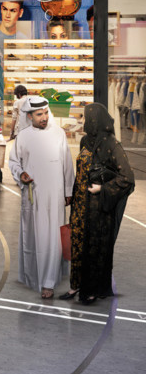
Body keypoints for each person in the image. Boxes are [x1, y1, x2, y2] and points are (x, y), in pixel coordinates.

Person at [67, 103, 135, 305]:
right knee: (78, 245)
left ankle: (92, 289)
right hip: (80, 205)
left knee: (94, 248)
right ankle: (76, 284)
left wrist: (102, 190)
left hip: (98, 209)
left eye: (87, 119)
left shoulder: (112, 144)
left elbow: (127, 178)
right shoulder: (86, 141)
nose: (84, 122)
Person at [9, 96, 73, 299]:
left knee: (53, 238)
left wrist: (68, 191)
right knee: (35, 237)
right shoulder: (23, 136)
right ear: (30, 116)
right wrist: (21, 174)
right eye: (39, 115)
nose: (44, 117)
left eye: (46, 113)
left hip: (55, 197)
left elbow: (67, 165)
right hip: (33, 195)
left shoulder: (59, 134)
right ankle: (33, 275)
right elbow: (13, 162)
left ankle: (48, 282)